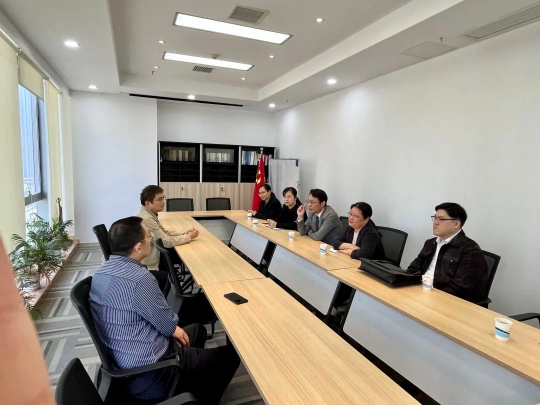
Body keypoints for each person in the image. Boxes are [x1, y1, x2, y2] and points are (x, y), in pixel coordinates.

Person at [89, 217, 239, 403]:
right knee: (231, 356)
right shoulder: (140, 279)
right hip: (154, 371)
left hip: (126, 358)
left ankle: (191, 382)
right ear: (138, 247)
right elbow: (168, 324)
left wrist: (172, 329)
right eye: (148, 237)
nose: (151, 239)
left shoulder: (101, 273)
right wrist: (172, 329)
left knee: (198, 330)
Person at [408, 202, 488, 302]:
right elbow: (413, 269)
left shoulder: (470, 250)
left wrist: (429, 297)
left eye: (441, 219)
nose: (435, 222)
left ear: (456, 224)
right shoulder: (430, 243)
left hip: (448, 302)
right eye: (435, 218)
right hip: (421, 293)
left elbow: (460, 288)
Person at [136, 185, 199, 271]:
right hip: (153, 260)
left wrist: (184, 233)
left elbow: (164, 232)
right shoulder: (146, 218)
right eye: (159, 199)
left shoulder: (149, 213)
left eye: (163, 198)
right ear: (147, 203)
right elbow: (166, 242)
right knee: (190, 255)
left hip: (158, 252)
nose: (163, 202)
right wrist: (189, 237)